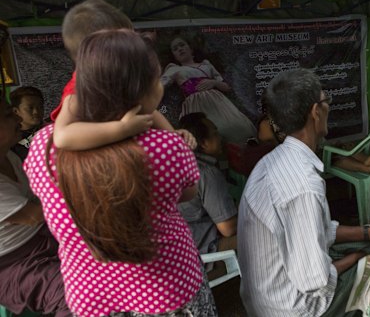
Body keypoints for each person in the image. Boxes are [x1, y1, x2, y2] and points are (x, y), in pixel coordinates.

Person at [24, 30, 217, 316]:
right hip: (166, 291)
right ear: (142, 88)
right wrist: (155, 120)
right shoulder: (164, 147)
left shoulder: (43, 145)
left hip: (90, 294)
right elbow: (188, 193)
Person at [237, 68, 370, 317]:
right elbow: (314, 281)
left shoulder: (273, 160)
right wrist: (359, 258)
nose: (328, 106)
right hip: (292, 308)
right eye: (326, 100)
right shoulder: (304, 186)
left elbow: (317, 229)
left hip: (270, 293)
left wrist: (368, 231)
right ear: (316, 112)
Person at [51, 0, 196, 151]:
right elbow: (62, 137)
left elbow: (145, 109)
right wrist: (121, 129)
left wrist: (172, 135)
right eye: (124, 41)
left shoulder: (119, 77)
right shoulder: (78, 90)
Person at [0, 94, 70, 317]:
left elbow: (40, 197)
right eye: (8, 115)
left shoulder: (10, 156)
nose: (17, 118)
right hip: (15, 264)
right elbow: (34, 214)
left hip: (44, 238)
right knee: (72, 298)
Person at [161, 36, 256, 143]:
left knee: (236, 127)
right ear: (174, 56)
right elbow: (161, 85)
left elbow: (226, 87)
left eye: (182, 45)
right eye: (175, 48)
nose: (180, 49)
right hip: (196, 105)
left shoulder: (206, 65)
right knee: (206, 133)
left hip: (218, 102)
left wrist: (213, 82)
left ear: (191, 48)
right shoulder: (175, 69)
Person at [178, 112, 238, 255]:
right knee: (259, 237)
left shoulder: (177, 165)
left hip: (179, 247)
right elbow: (228, 228)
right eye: (215, 134)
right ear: (204, 143)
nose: (221, 138)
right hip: (202, 249)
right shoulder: (206, 172)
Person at [10, 86, 44, 160]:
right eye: (30, 108)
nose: (36, 112)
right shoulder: (10, 142)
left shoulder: (52, 131)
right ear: (16, 111)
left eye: (40, 107)